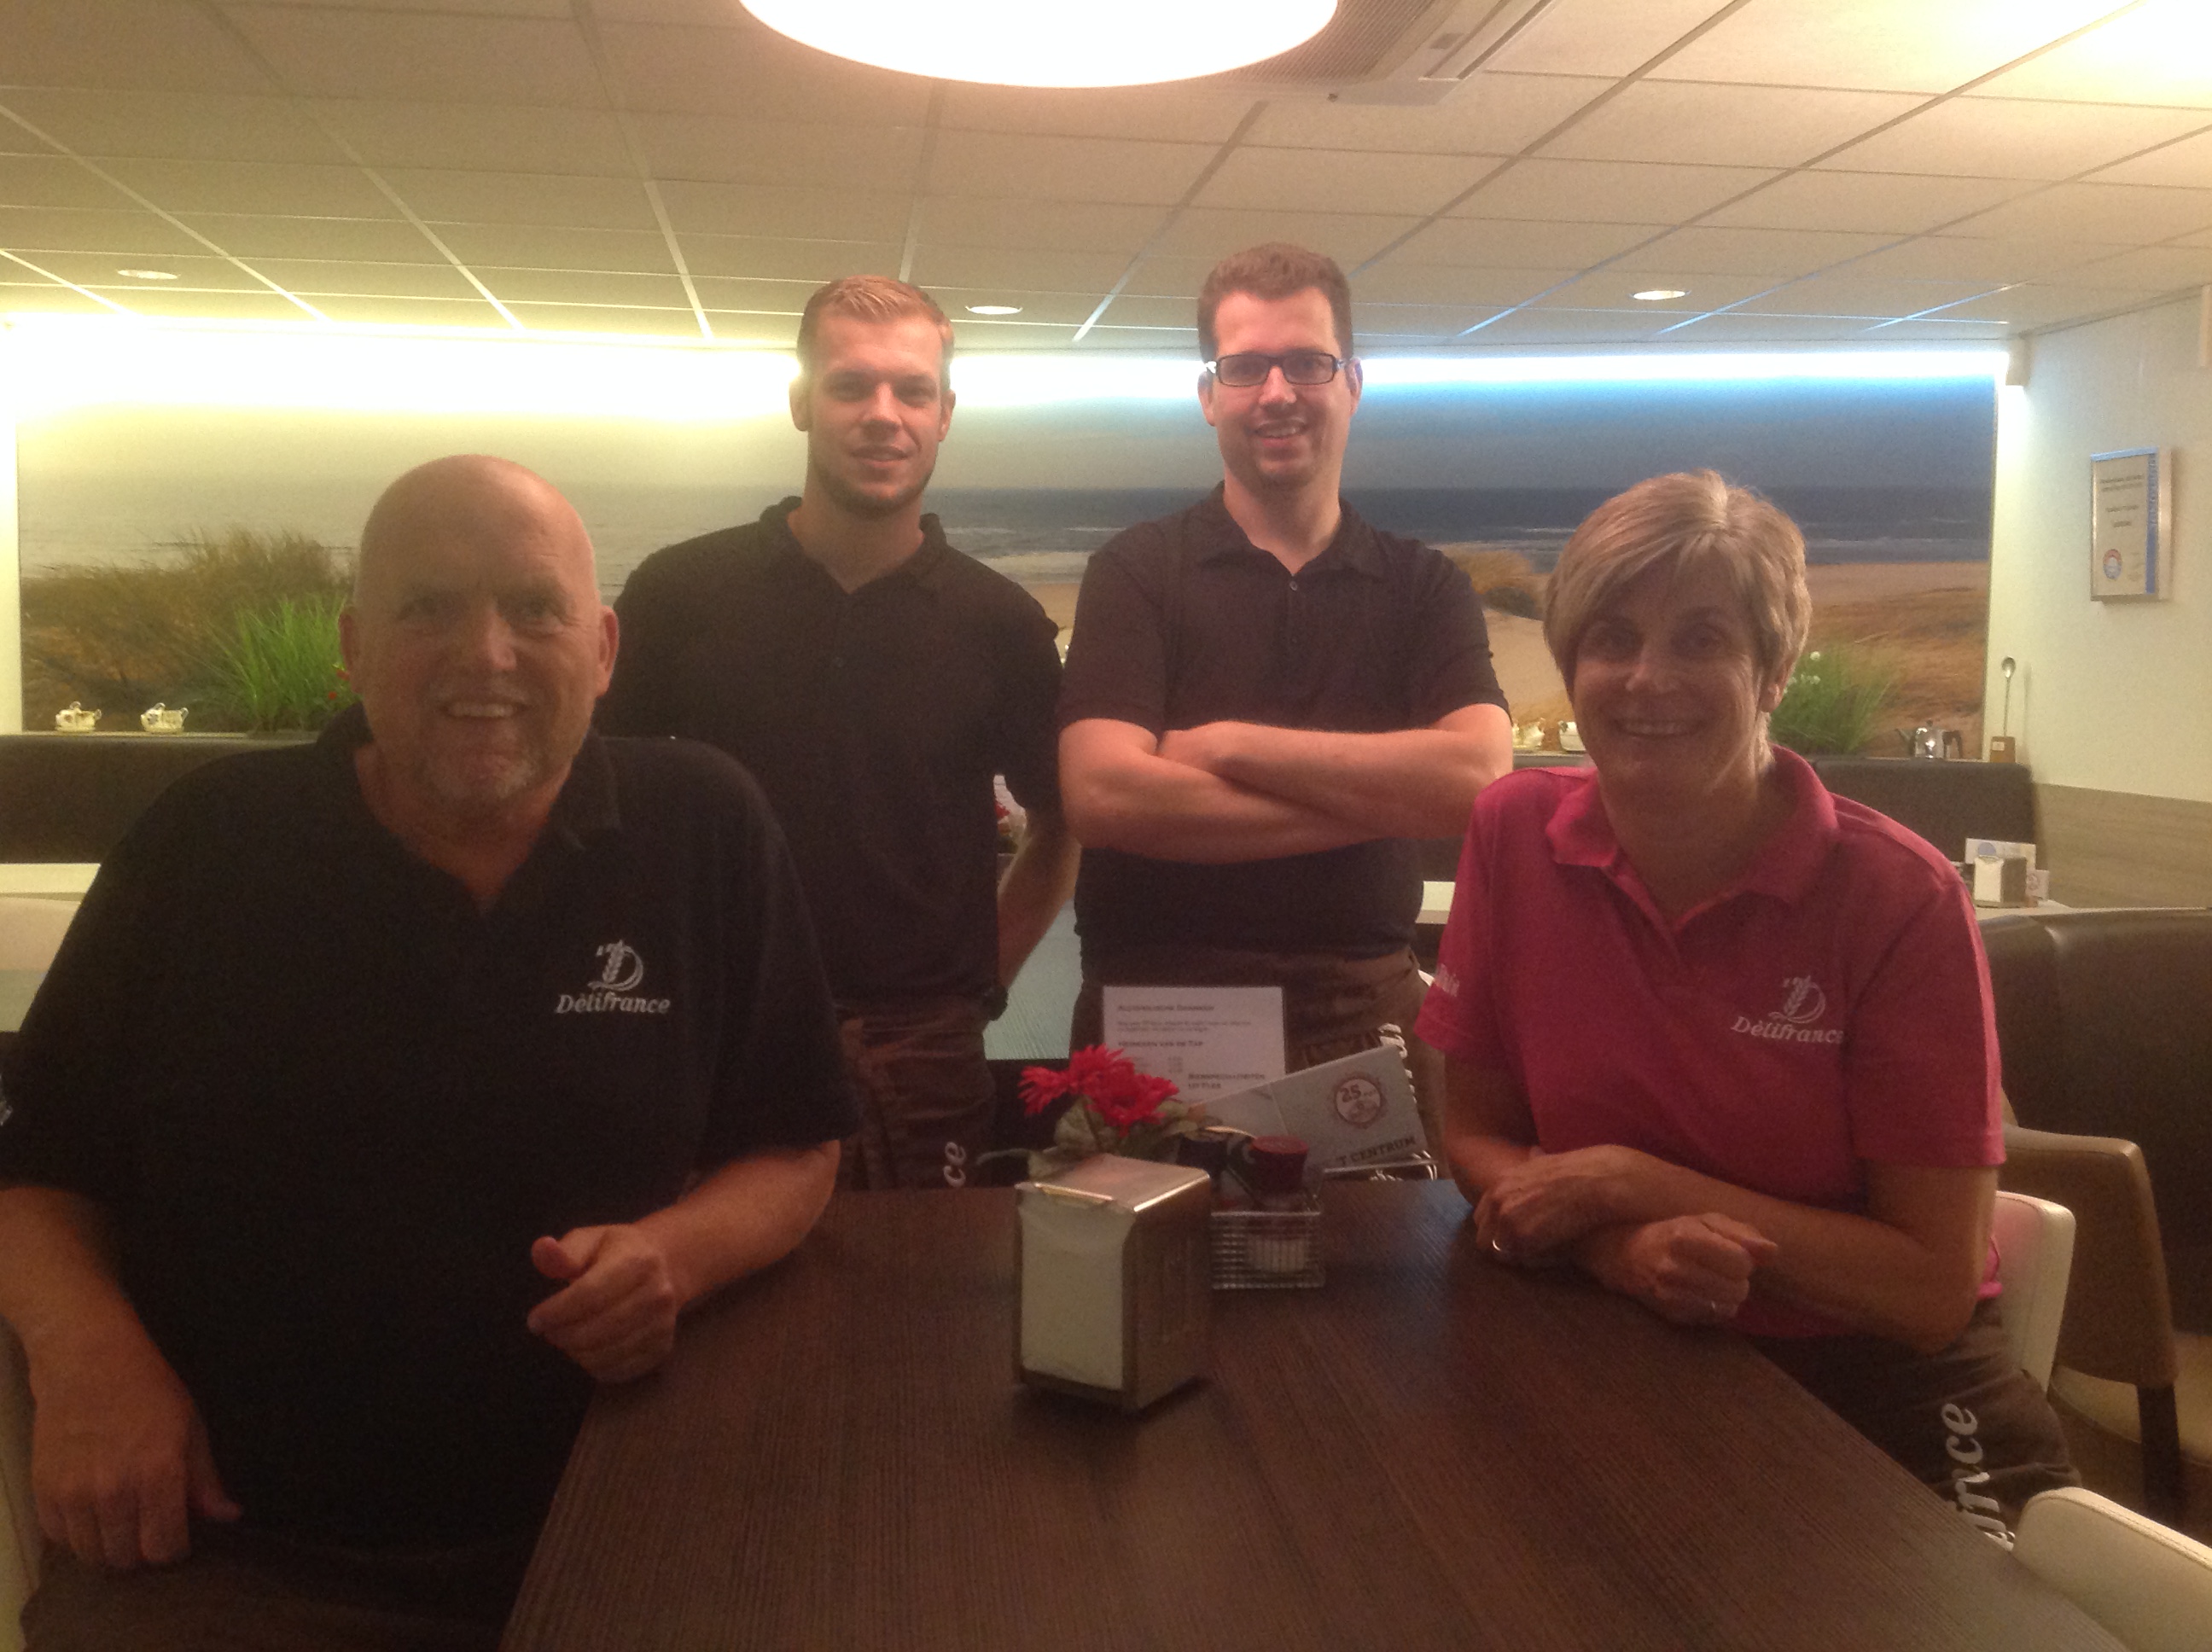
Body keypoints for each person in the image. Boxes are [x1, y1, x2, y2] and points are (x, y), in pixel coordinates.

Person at [0, 455, 855, 1649]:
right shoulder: (208, 844)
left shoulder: (703, 827)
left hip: (631, 1512)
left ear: (604, 649)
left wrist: (676, 1255)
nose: (485, 654)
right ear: (354, 648)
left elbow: (797, 1142)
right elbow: (39, 1171)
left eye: (535, 609)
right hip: (240, 1546)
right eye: (429, 609)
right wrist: (88, 1358)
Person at [1416, 470, 2075, 1537]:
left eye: (1702, 640)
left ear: (1772, 673)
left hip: (1881, 1375)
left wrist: (1632, 1180)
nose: (1648, 677)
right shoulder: (1512, 832)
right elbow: (1476, 1136)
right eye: (1612, 638)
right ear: (1573, 664)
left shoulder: (1900, 898)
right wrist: (1619, 1250)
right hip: (1621, 1334)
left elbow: (1929, 1290)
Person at [599, 276, 1075, 1193]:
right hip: (715, 1039)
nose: (882, 414)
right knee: (721, 1285)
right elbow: (597, 802)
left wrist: (981, 989)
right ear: (801, 402)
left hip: (923, 1065)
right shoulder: (680, 594)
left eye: (913, 391)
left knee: (925, 1289)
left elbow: (1059, 826)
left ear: (944, 416)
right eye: (851, 385)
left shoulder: (1001, 625)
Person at [1057, 242, 1512, 1141]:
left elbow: (1477, 781)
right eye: (1246, 367)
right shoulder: (1136, 572)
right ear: (1209, 394)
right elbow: (1104, 796)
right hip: (1162, 1018)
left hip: (1364, 1012)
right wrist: (1381, 800)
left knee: (1392, 1242)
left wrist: (1228, 745)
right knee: (1152, 1242)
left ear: (1353, 383)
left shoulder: (1424, 586)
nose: (1277, 392)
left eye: (1308, 362)